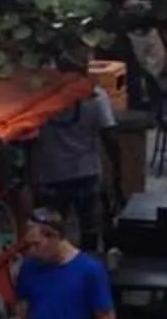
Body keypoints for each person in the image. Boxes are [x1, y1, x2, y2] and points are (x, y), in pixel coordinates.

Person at [28, 71, 115, 248]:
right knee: (89, 231)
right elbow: (110, 136)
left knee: (49, 232)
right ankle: (84, 267)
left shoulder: (37, 96)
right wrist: (117, 173)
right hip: (86, 173)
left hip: (50, 174)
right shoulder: (96, 96)